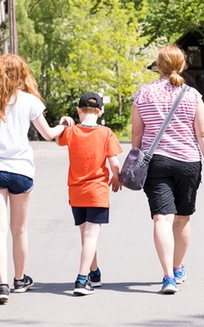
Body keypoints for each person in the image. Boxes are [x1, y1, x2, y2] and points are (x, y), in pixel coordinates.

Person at [0, 53, 70, 304]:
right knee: (20, 229)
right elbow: (48, 134)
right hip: (22, 171)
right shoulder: (29, 101)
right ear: (22, 74)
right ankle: (19, 280)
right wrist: (64, 124)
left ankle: (2, 285)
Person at [131, 45, 204, 294]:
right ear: (182, 66)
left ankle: (168, 276)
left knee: (161, 218)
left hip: (155, 162)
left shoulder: (143, 94)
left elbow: (137, 132)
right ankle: (178, 268)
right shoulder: (192, 95)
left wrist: (135, 160)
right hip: (189, 162)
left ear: (158, 65)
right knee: (182, 218)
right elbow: (202, 133)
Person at [56, 92, 122, 296]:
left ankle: (94, 273)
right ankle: (81, 280)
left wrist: (63, 122)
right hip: (97, 192)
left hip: (76, 193)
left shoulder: (71, 132)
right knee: (91, 236)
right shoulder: (106, 133)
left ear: (79, 111)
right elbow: (114, 162)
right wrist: (117, 177)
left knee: (86, 236)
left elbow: (58, 139)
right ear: (100, 112)